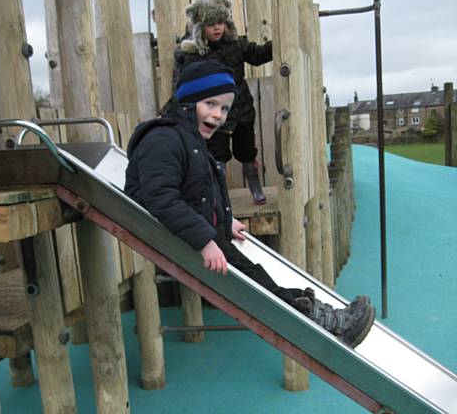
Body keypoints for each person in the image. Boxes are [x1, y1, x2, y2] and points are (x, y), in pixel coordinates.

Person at [125, 60, 375, 348]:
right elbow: (162, 198)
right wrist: (205, 240)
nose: (217, 115)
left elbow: (200, 192)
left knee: (260, 278)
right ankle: (328, 325)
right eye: (210, 104)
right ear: (188, 101)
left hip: (200, 233)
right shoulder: (163, 139)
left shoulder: (190, 140)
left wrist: (223, 220)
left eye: (224, 109)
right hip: (182, 240)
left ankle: (322, 314)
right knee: (258, 291)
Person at [170, 0, 272, 205]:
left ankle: (255, 188)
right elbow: (184, 85)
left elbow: (258, 55)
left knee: (246, 152)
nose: (217, 28)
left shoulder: (235, 45)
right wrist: (171, 109)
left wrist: (278, 42)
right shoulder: (194, 55)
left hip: (241, 110)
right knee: (217, 156)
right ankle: (219, 197)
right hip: (213, 115)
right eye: (210, 24)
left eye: (221, 23)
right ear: (200, 28)